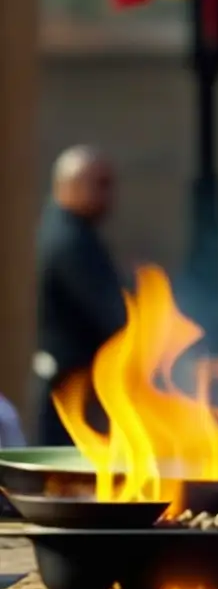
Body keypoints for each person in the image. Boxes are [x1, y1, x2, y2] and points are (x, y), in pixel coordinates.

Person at [34, 146, 125, 445]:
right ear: (70, 185)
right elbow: (110, 313)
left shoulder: (72, 232)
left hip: (74, 383)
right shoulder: (69, 239)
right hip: (71, 387)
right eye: (99, 184)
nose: (108, 196)